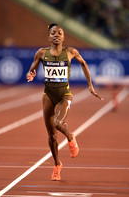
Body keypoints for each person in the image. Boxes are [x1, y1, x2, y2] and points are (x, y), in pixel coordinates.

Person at [26, 23, 103, 181]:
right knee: (52, 135)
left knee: (59, 123)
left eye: (59, 33)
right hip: (48, 95)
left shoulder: (71, 52)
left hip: (64, 95)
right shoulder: (41, 53)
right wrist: (30, 73)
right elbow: (32, 67)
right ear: (49, 37)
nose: (56, 35)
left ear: (63, 36)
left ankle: (70, 137)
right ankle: (57, 165)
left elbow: (83, 64)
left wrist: (90, 86)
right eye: (53, 33)